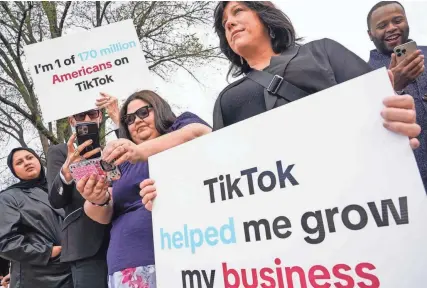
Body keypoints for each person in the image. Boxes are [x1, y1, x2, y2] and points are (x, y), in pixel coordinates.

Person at [137, 1, 422, 211]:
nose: (230, 23)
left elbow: (377, 105)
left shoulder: (322, 52)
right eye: (224, 24)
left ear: (265, 15)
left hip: (358, 202)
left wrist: (393, 125)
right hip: (280, 223)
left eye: (238, 12)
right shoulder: (227, 100)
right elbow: (220, 177)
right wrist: (170, 191)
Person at [74, 90, 211, 287]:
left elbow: (199, 133)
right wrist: (95, 198)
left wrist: (139, 151)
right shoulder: (123, 162)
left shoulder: (180, 127)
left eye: (144, 112)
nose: (136, 121)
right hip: (129, 262)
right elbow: (104, 212)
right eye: (129, 119)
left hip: (188, 252)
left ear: (160, 109)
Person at [46, 92, 119, 288]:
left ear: (99, 116)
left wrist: (118, 118)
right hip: (85, 246)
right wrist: (67, 172)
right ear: (71, 121)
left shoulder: (111, 150)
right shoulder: (59, 152)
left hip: (120, 238)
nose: (86, 120)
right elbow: (55, 201)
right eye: (80, 116)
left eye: (92, 114)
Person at [367, 1, 427, 191]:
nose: (391, 28)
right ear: (370, 35)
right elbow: (366, 128)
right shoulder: (362, 74)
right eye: (382, 25)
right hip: (407, 182)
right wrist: (393, 86)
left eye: (397, 20)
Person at [0, 147, 73, 288]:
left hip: (73, 270)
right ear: (14, 171)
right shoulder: (8, 197)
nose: (27, 163)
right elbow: (5, 242)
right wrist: (47, 252)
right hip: (39, 278)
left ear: (38, 160)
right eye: (19, 162)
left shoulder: (61, 187)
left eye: (30, 157)